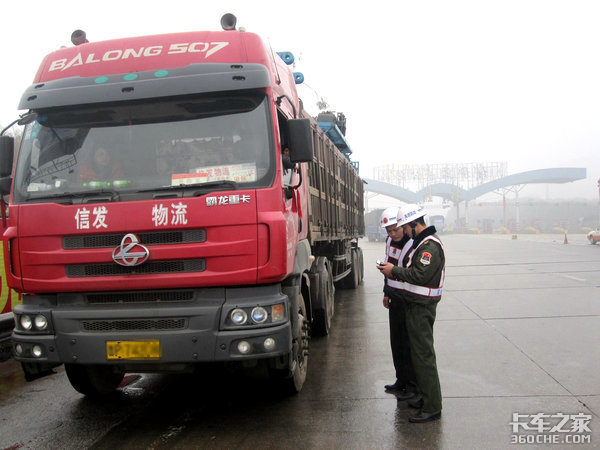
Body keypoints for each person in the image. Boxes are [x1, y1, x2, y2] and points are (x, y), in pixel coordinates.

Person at [378, 203, 445, 423]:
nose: (405, 232)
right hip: (414, 304)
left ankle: (432, 406)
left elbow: (419, 275)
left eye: (405, 227)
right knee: (418, 355)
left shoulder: (429, 247)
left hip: (422, 307)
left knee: (424, 357)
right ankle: (425, 399)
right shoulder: (422, 243)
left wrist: (393, 271)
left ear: (415, 223)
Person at [379, 207, 418, 401]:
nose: (392, 234)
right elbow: (388, 264)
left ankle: (412, 386)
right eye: (388, 231)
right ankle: (401, 380)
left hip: (407, 298)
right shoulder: (389, 241)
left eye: (395, 229)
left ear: (403, 226)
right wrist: (386, 292)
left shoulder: (413, 244)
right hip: (394, 297)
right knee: (397, 342)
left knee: (408, 344)